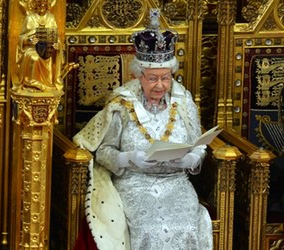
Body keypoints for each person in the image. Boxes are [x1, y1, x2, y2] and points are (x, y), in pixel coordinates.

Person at [73, 9, 212, 250]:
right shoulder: (122, 103)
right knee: (150, 228)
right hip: (134, 182)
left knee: (186, 226)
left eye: (166, 78)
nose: (160, 85)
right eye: (153, 78)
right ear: (139, 76)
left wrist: (191, 158)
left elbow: (198, 144)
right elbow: (103, 151)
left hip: (176, 182)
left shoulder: (183, 100)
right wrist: (128, 158)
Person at [14, 0, 63, 91]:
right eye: (39, 4)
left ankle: (47, 84)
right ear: (35, 5)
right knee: (34, 57)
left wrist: (57, 44)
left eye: (44, 4)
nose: (42, 6)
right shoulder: (30, 18)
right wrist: (29, 40)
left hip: (47, 48)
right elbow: (21, 38)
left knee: (47, 57)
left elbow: (56, 36)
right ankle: (31, 83)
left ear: (48, 5)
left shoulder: (51, 18)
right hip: (31, 48)